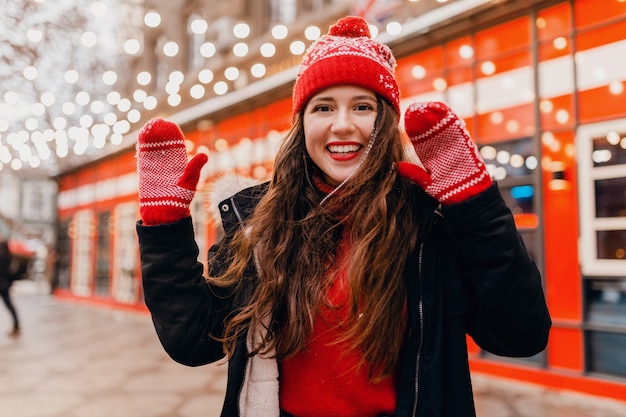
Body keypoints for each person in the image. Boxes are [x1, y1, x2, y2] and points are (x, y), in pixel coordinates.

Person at [136, 15, 551, 417]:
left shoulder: (430, 224)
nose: (342, 125)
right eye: (323, 108)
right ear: (301, 125)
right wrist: (165, 232)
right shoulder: (257, 226)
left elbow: (520, 334)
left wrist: (477, 209)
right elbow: (195, 342)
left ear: (385, 121)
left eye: (363, 107)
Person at [0, 239, 20, 337]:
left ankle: (16, 325)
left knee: (9, 304)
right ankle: (16, 325)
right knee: (9, 304)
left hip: (3, 284)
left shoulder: (4, 251)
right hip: (4, 283)